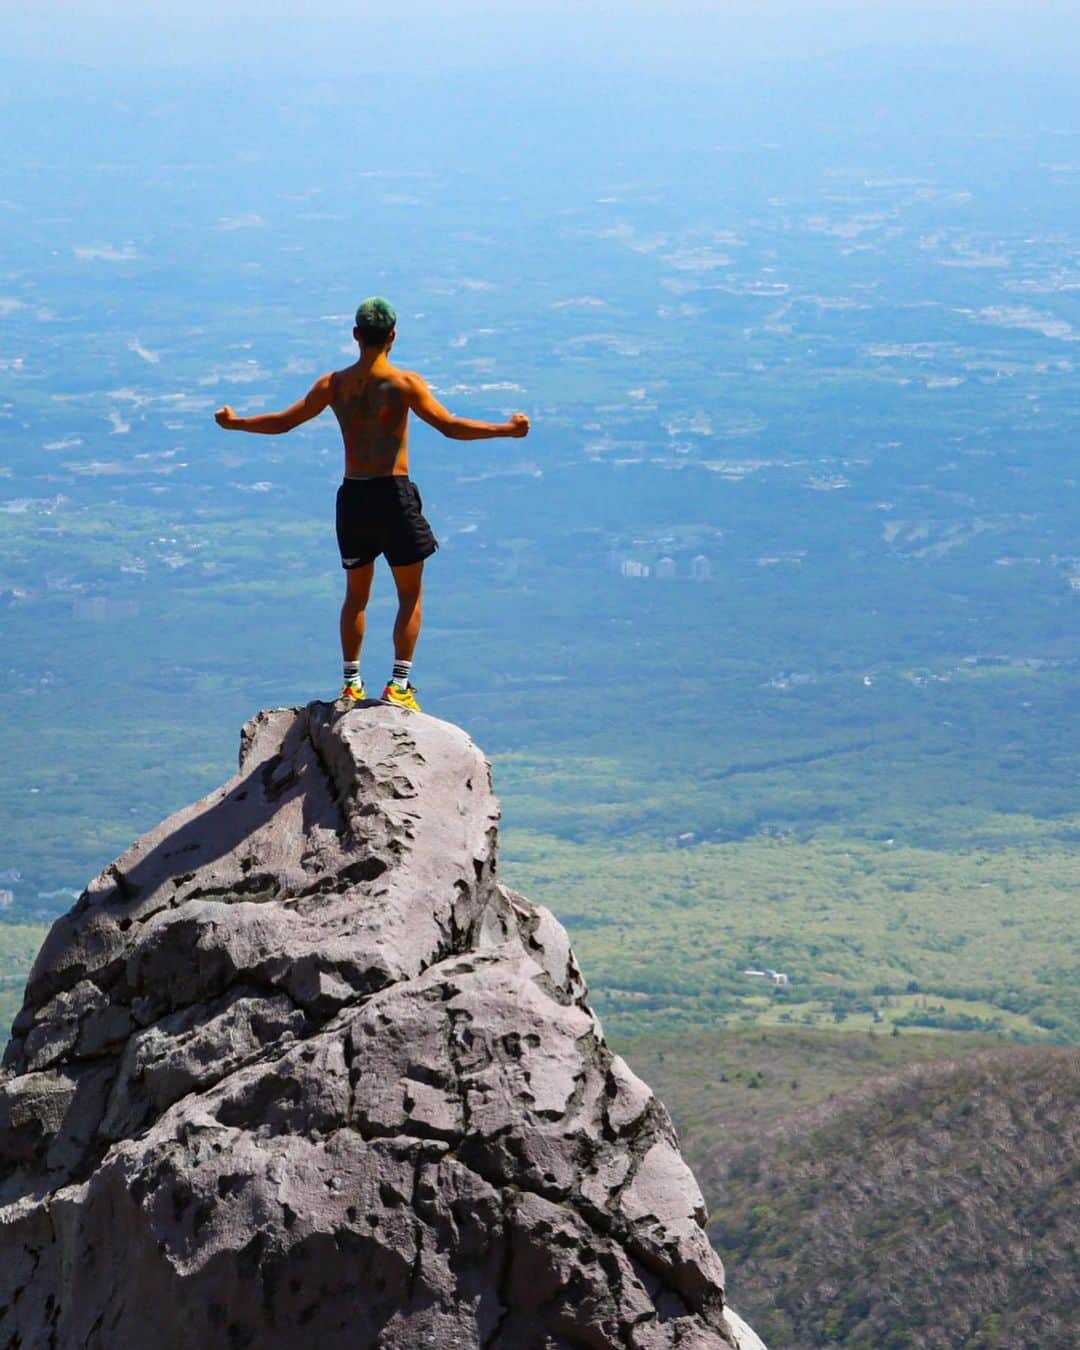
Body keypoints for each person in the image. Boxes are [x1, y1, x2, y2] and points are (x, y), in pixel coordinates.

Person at [214, 297, 530, 710]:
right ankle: (398, 685)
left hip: (355, 496)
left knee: (356, 595)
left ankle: (351, 683)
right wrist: (506, 430)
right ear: (393, 337)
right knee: (410, 595)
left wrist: (236, 423)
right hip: (394, 495)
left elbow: (283, 422)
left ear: (356, 335)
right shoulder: (404, 384)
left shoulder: (334, 385)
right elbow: (450, 427)